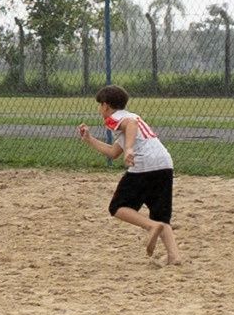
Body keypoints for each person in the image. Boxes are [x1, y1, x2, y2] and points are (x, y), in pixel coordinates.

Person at [76, 84, 179, 265]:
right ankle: (174, 256)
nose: (100, 109)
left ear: (106, 105)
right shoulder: (131, 116)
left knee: (117, 207)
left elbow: (131, 125)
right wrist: (89, 139)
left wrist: (129, 149)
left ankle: (150, 226)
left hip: (144, 164)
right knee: (161, 214)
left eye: (100, 105)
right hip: (164, 163)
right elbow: (113, 152)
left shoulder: (115, 118)